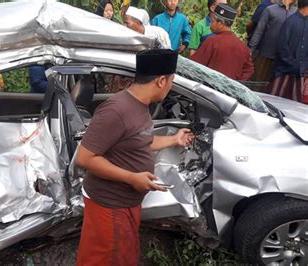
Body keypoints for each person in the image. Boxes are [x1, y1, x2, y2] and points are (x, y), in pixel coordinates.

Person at [75, 49, 194, 266]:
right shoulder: (116, 110)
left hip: (125, 203)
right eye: (171, 81)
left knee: (123, 256)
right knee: (105, 259)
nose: (170, 86)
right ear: (160, 81)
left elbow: (142, 141)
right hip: (109, 206)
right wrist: (132, 178)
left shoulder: (140, 106)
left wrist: (174, 139)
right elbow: (85, 158)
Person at [190, 3, 254, 81]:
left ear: (220, 24)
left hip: (208, 88)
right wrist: (236, 82)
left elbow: (194, 65)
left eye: (212, 21)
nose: (210, 24)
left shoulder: (212, 41)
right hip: (229, 91)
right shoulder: (243, 48)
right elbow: (249, 70)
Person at [268, 0, 308, 104]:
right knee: (275, 101)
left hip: (299, 72)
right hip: (284, 70)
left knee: (294, 104)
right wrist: (292, 63)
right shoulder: (290, 21)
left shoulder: (306, 23)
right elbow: (282, 46)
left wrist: (303, 65)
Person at [249, 0, 297, 85]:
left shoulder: (296, 12)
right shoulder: (270, 10)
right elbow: (259, 32)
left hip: (284, 61)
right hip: (266, 56)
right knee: (257, 83)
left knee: (274, 88)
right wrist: (250, 51)